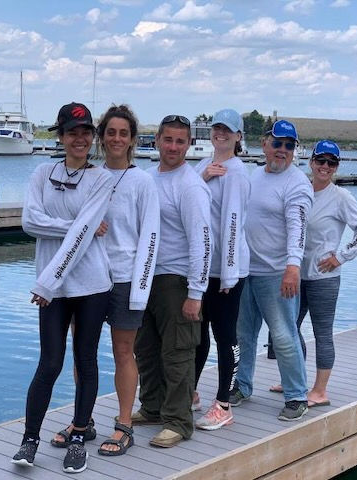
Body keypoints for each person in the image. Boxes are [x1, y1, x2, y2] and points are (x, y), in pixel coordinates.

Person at [11, 102, 113, 473]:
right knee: (49, 363)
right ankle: (30, 440)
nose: (80, 138)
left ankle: (77, 437)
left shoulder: (100, 179)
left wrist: (80, 229)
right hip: (52, 290)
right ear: (61, 136)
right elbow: (30, 221)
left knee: (85, 361)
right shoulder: (41, 172)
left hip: (91, 286)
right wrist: (78, 226)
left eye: (86, 132)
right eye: (73, 132)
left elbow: (85, 229)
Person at [132, 114, 212, 448]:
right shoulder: (148, 178)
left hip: (176, 280)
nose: (174, 147)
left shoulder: (190, 185)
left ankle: (179, 421)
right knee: (145, 349)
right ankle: (152, 407)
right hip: (145, 278)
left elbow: (202, 241)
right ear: (158, 140)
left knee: (178, 353)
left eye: (181, 141)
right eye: (168, 140)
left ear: (189, 144)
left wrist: (196, 292)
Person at [229, 119, 314, 421]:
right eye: (277, 143)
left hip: (278, 273)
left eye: (289, 145)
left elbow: (298, 228)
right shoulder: (255, 175)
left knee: (283, 335)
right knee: (242, 335)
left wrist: (293, 266)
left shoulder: (297, 183)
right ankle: (241, 385)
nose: (282, 150)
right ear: (264, 144)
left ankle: (296, 396)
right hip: (245, 271)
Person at [89, 104, 160, 456]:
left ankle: (124, 424)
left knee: (122, 353)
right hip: (89, 278)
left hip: (125, 279)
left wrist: (140, 288)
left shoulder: (142, 181)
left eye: (123, 133)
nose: (116, 139)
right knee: (84, 354)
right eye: (110, 132)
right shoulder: (90, 176)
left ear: (132, 139)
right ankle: (82, 419)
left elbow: (150, 236)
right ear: (101, 137)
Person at [298, 140, 357, 406]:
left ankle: (319, 391)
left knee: (322, 333)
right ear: (311, 162)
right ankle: (295, 380)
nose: (325, 167)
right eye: (321, 161)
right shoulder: (301, 190)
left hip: (323, 278)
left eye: (332, 163)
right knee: (286, 329)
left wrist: (340, 256)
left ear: (336, 167)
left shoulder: (341, 196)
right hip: (296, 274)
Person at [192, 109, 250, 430]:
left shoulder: (236, 173)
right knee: (199, 337)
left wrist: (229, 274)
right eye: (216, 128)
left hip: (228, 272)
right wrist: (202, 178)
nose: (221, 134)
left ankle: (224, 403)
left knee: (225, 336)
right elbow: (188, 198)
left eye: (228, 130)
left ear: (239, 137)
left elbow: (232, 224)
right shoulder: (203, 166)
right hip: (205, 270)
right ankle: (191, 392)